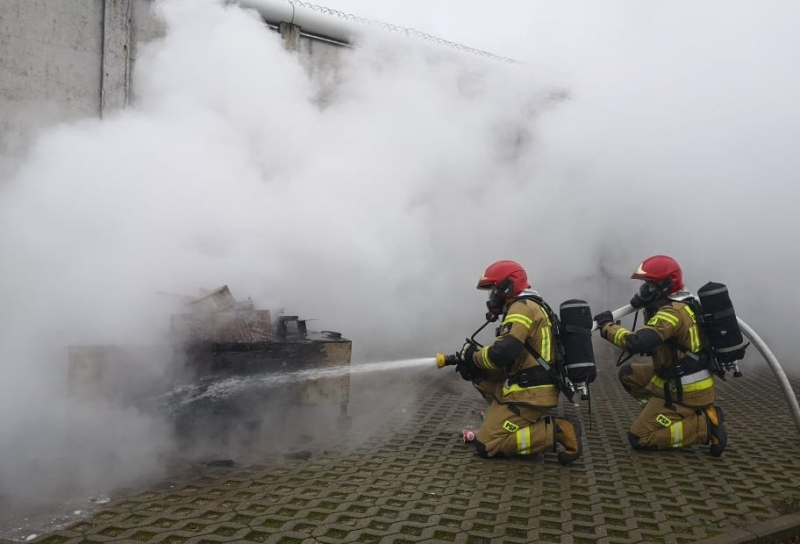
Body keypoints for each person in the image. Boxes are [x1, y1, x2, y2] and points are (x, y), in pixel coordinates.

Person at [593, 255, 727, 456]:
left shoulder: (672, 313)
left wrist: (606, 327)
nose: (645, 290)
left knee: (639, 438)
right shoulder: (679, 304)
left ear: (666, 285)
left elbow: (636, 343)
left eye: (650, 285)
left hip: (686, 390)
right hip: (676, 378)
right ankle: (661, 416)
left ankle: (703, 426)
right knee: (629, 374)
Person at [453, 260, 582, 465]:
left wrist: (473, 356)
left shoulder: (521, 308)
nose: (492, 297)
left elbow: (503, 353)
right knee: (478, 375)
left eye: (494, 290)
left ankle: (557, 430)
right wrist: (473, 366)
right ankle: (503, 418)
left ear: (507, 286)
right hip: (530, 386)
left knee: (487, 445)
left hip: (531, 392)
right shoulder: (529, 304)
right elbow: (511, 354)